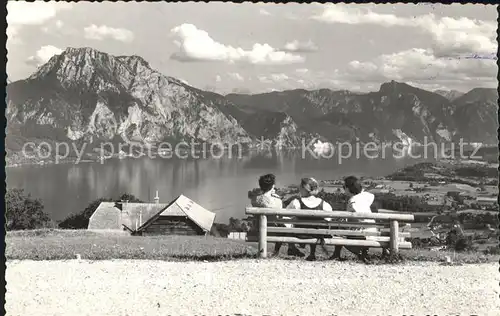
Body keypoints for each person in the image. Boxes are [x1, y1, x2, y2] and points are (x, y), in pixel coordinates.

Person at [248, 174, 304, 257]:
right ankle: (289, 248)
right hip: (274, 231)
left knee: (284, 225)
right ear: (273, 186)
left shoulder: (254, 199)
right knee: (287, 224)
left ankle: (286, 250)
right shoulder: (277, 201)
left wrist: (268, 192)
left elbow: (260, 198)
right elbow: (279, 216)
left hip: (257, 229)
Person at [330, 176, 376, 263]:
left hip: (363, 233)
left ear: (348, 188)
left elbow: (358, 215)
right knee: (343, 228)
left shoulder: (353, 201)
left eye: (344, 187)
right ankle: (362, 254)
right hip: (372, 232)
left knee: (339, 230)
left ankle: (337, 254)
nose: (343, 189)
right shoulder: (365, 197)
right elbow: (371, 195)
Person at [287, 177, 333, 261]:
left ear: (303, 188)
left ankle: (291, 248)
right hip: (317, 235)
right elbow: (328, 219)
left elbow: (286, 215)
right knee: (315, 226)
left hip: (300, 234)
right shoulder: (324, 204)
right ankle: (312, 254)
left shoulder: (296, 202)